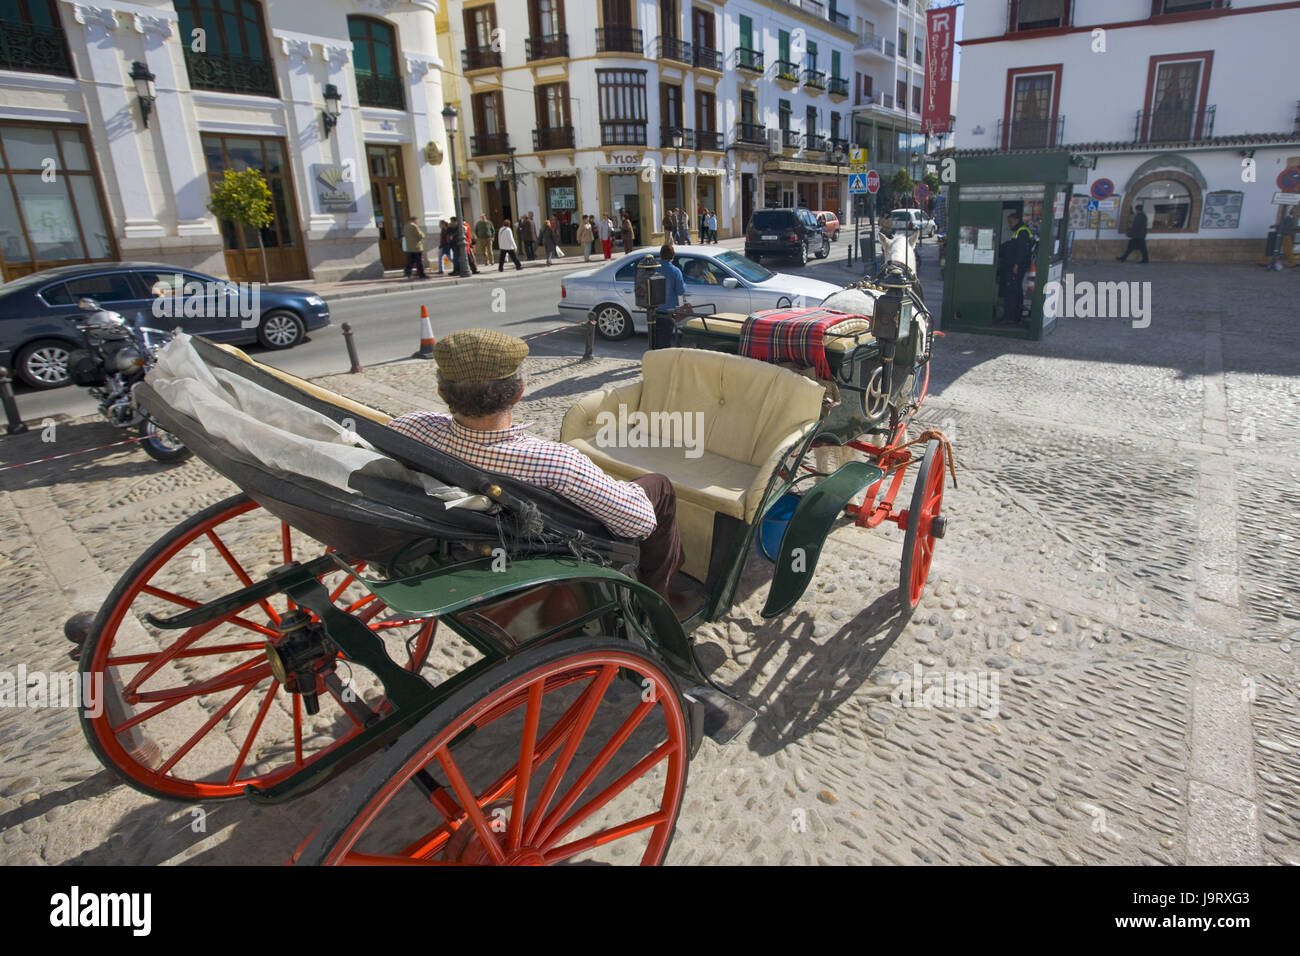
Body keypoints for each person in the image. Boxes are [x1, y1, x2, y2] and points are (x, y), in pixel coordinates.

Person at [387, 329, 687, 605]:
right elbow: (640, 523)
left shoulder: (407, 430)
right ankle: (655, 602)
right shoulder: (556, 464)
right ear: (518, 393)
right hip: (539, 564)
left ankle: (672, 566)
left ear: (442, 392)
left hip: (452, 552)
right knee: (658, 486)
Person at [998, 212, 1033, 324]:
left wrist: (1016, 265)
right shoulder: (1020, 231)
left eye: (1011, 221)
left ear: (1017, 220)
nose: (1009, 224)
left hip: (1017, 266)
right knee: (1016, 290)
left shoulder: (1022, 231)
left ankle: (1010, 317)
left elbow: (1021, 251)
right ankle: (1016, 315)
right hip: (1017, 265)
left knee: (1012, 291)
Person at [651, 244, 687, 351]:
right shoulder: (675, 271)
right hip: (668, 311)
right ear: (673, 256)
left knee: (655, 339)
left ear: (661, 255)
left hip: (653, 311)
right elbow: (681, 290)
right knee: (665, 340)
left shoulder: (653, 269)